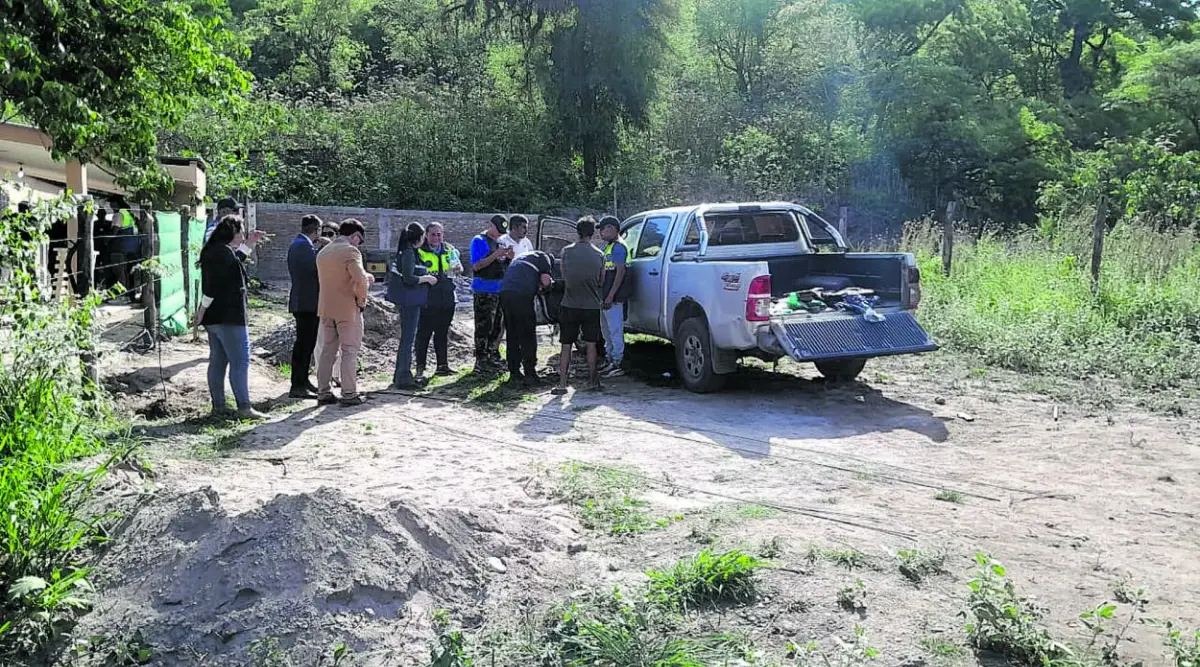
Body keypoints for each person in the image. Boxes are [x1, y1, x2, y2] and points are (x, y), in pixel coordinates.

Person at [195, 214, 268, 419]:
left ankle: (219, 406)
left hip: (215, 318)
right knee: (240, 361)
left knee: (218, 361)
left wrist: (250, 244)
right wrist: (201, 310)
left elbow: (233, 264)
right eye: (242, 232)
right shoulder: (223, 253)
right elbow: (213, 286)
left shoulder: (216, 251)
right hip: (229, 317)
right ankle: (244, 408)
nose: (243, 235)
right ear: (233, 233)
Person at [316, 219, 374, 406]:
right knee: (349, 350)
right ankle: (349, 393)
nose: (359, 244)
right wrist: (362, 299)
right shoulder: (350, 251)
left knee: (328, 350)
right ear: (356, 236)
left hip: (326, 308)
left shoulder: (324, 252)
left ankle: (323, 391)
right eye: (360, 240)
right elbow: (359, 279)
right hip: (347, 309)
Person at [553, 217, 606, 395]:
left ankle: (562, 384)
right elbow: (601, 281)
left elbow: (565, 276)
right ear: (593, 233)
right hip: (591, 306)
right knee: (591, 344)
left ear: (577, 231)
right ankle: (592, 380)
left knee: (566, 345)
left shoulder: (566, 252)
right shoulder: (599, 254)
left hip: (570, 304)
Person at [388, 222, 438, 389]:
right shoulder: (409, 253)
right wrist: (426, 279)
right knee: (408, 339)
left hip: (409, 301)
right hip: (409, 302)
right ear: (419, 237)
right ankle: (404, 377)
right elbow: (408, 278)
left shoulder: (408, 251)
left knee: (407, 339)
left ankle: (400, 375)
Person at [498, 249, 554, 387]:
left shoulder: (523, 257)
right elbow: (546, 282)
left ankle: (514, 372)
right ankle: (530, 373)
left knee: (512, 334)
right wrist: (550, 286)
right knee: (527, 334)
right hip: (521, 295)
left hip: (505, 293)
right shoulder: (544, 257)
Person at [415, 222, 461, 379]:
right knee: (424, 334)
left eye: (439, 234)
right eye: (433, 234)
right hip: (427, 298)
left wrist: (457, 269)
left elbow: (458, 268)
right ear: (426, 235)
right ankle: (420, 368)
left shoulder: (450, 249)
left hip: (447, 297)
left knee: (442, 333)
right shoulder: (419, 251)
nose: (436, 237)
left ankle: (442, 366)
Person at [470, 214, 514, 373]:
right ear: (490, 225)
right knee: (484, 326)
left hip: (500, 289)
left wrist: (508, 257)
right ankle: (481, 360)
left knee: (497, 326)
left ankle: (492, 355)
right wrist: (496, 254)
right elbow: (476, 266)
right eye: (498, 230)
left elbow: (502, 265)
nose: (500, 234)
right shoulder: (479, 241)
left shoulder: (500, 242)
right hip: (484, 290)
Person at [287, 214, 324, 398]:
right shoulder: (302, 246)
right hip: (306, 303)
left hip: (306, 301)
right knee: (303, 345)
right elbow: (315, 269)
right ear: (316, 229)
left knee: (307, 345)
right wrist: (324, 249)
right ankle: (297, 385)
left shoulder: (301, 244)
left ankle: (303, 380)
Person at [598, 216, 630, 378]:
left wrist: (610, 295)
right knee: (607, 332)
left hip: (614, 298)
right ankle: (609, 359)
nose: (600, 233)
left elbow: (620, 272)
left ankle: (617, 363)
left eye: (602, 229)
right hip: (605, 297)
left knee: (615, 331)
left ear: (611, 228)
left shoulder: (618, 248)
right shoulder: (609, 247)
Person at [312, 222, 342, 386]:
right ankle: (323, 377)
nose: (326, 237)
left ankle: (336, 375)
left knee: (341, 343)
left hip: (340, 304)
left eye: (330, 234)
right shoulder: (318, 254)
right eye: (324, 233)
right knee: (322, 342)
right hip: (323, 304)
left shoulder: (342, 253)